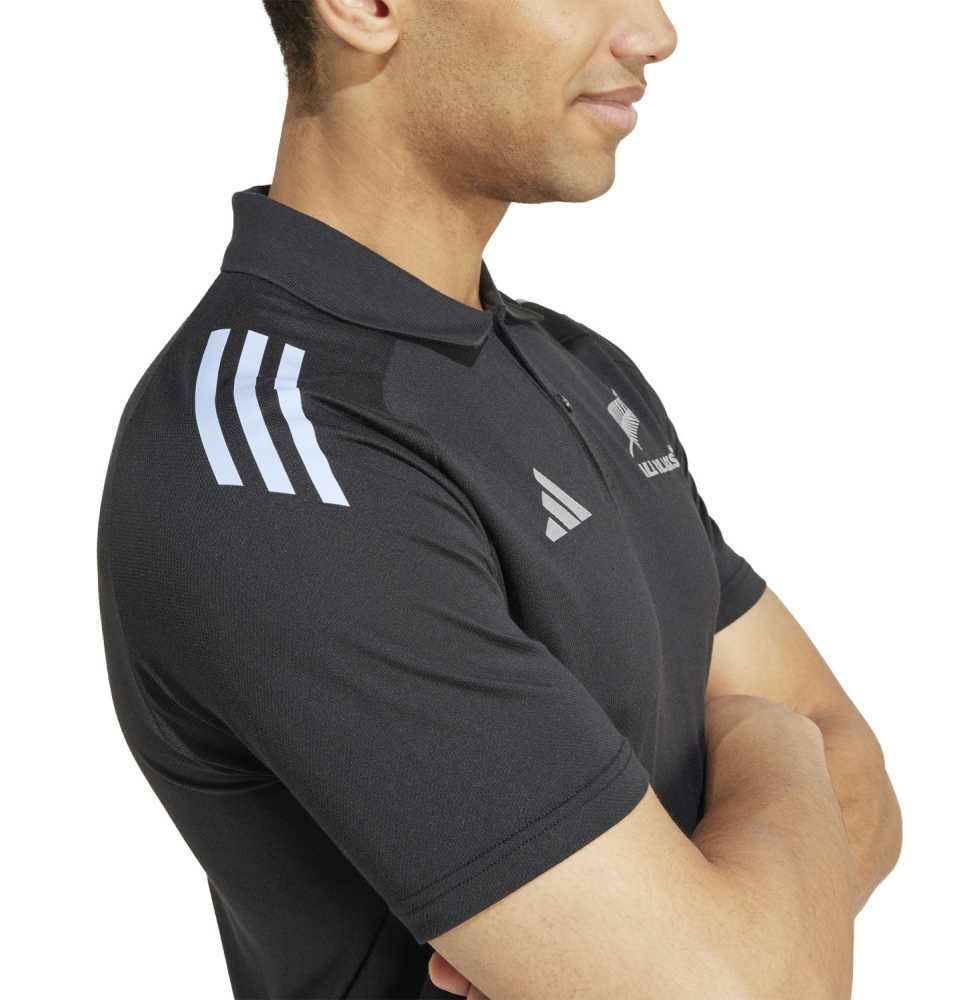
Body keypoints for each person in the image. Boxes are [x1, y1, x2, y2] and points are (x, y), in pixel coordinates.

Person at [96, 2, 902, 997]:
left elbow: (858, 775)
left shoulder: (575, 367)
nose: (655, 32)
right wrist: (772, 744)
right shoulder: (274, 452)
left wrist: (734, 877)